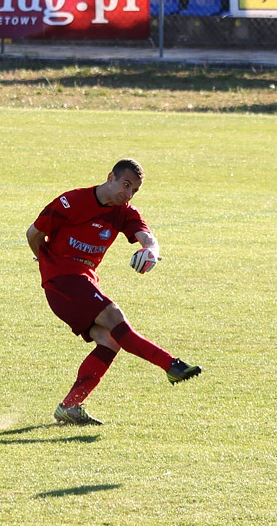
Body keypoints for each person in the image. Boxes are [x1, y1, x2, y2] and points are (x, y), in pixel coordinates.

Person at [27, 159, 201, 426]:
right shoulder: (72, 201)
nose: (128, 194)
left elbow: (148, 237)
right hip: (62, 280)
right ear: (111, 177)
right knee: (114, 316)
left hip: (84, 282)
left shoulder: (124, 212)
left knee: (110, 340)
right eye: (126, 185)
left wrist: (151, 251)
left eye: (134, 190)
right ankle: (171, 365)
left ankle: (70, 406)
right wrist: (47, 265)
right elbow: (33, 233)